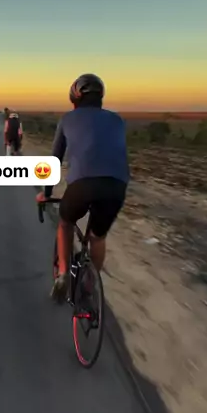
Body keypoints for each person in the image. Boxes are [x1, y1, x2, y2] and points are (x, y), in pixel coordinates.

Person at [36, 74, 129, 303]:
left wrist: (46, 193)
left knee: (65, 223)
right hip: (116, 186)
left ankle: (63, 274)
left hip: (82, 185)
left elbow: (54, 160)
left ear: (75, 97)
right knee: (98, 237)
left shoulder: (67, 119)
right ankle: (89, 284)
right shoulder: (117, 120)